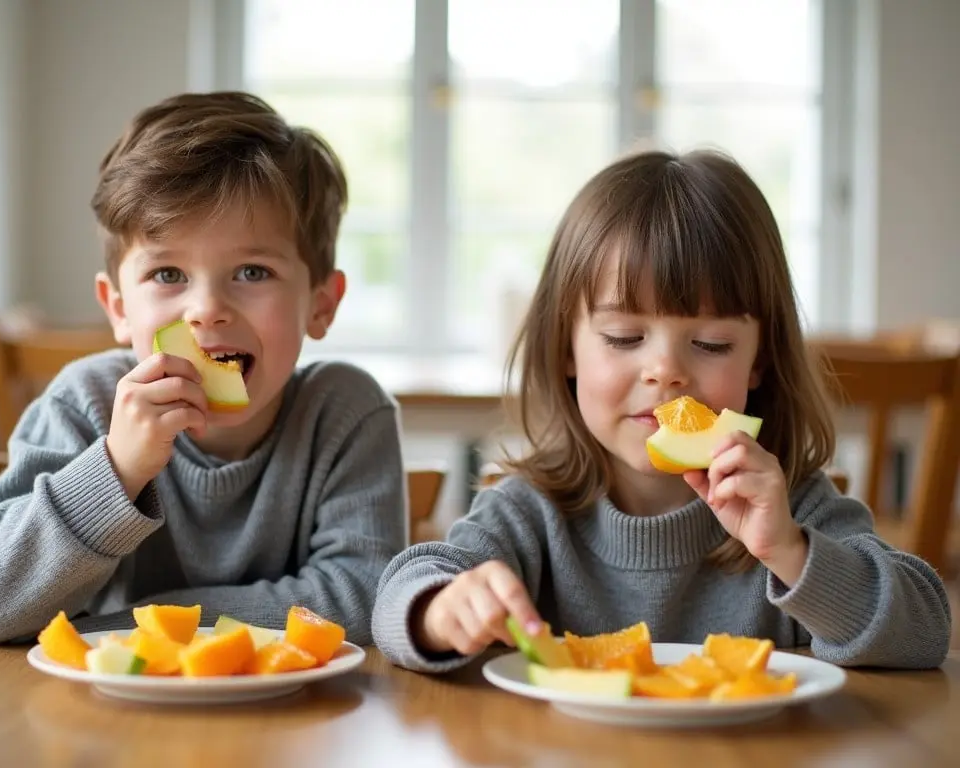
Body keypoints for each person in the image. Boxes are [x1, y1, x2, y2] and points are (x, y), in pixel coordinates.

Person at [372, 148, 951, 672]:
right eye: (624, 337)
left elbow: (924, 631)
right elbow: (403, 590)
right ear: (565, 351)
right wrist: (440, 609)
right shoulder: (529, 514)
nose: (665, 370)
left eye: (711, 344)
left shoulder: (797, 507)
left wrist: (793, 552)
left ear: (758, 362)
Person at [0, 91, 406, 645]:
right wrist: (116, 470)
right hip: (112, 721)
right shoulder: (85, 402)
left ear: (321, 304)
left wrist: (140, 621)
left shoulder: (346, 412)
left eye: (253, 272)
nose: (206, 310)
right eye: (167, 275)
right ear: (118, 307)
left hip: (296, 722)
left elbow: (363, 597)